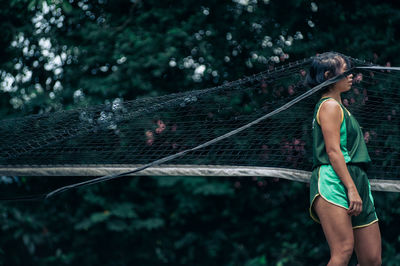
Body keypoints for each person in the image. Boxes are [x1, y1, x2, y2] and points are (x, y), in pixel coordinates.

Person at [307, 52, 381, 266]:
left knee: (372, 259)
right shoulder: (329, 105)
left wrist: (357, 186)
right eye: (345, 70)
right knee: (343, 250)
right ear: (329, 75)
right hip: (335, 181)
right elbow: (333, 151)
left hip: (357, 179)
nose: (351, 75)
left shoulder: (341, 108)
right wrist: (351, 188)